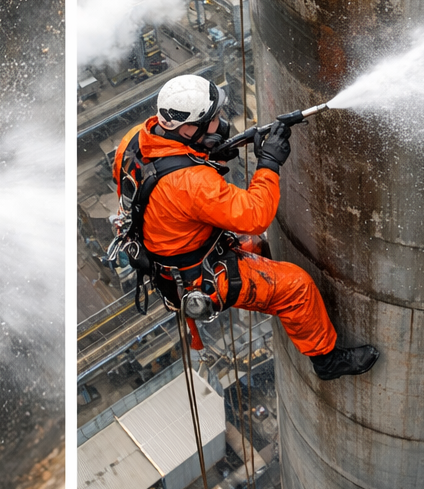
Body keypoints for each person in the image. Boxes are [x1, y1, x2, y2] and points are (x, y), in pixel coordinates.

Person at [114, 74, 378, 382]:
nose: (221, 122)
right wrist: (269, 163)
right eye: (213, 119)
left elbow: (156, 180)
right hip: (198, 275)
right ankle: (327, 360)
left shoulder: (135, 138)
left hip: (173, 251)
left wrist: (205, 153)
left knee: (259, 246)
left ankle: (278, 295)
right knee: (297, 287)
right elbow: (255, 215)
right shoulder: (192, 183)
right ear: (188, 129)